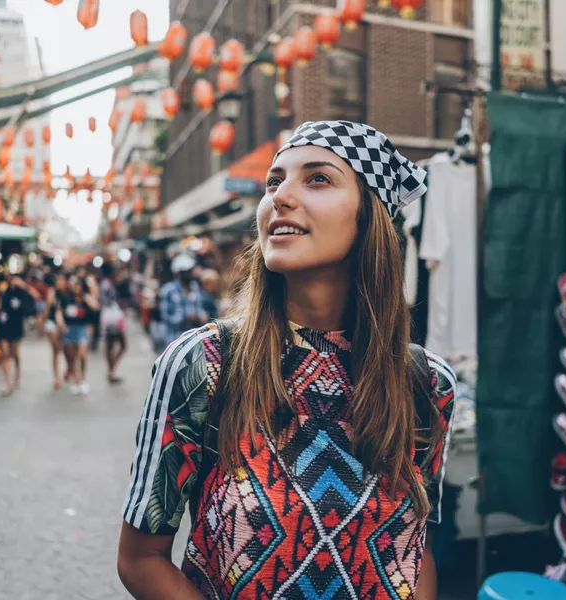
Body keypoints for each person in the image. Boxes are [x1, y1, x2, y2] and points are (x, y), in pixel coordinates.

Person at [118, 121, 456, 599]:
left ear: (370, 217)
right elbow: (141, 559)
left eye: (317, 178)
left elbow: (415, 552)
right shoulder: (203, 364)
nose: (280, 196)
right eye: (274, 181)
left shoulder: (428, 383)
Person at [0, 272, 41, 397]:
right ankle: (7, 383)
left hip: (16, 326)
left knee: (15, 353)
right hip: (3, 326)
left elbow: (37, 297)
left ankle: (17, 376)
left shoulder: (22, 293)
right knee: (5, 354)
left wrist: (24, 286)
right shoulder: (2, 292)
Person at [57, 276, 99, 396]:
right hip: (70, 328)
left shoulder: (85, 298)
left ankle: (83, 379)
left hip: (82, 328)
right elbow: (59, 311)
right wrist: (61, 324)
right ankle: (76, 379)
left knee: (82, 355)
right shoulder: (66, 298)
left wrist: (87, 297)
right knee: (72, 356)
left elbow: (95, 307)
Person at [158, 254, 203, 347]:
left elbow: (199, 308)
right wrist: (184, 319)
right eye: (186, 272)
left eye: (190, 271)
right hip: (176, 340)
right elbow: (165, 316)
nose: (190, 274)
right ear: (178, 273)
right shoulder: (168, 290)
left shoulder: (195, 287)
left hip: (195, 339)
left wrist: (199, 317)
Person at [99, 262, 127, 384]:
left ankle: (111, 371)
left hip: (110, 316)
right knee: (115, 345)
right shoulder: (107, 285)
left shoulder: (107, 284)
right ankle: (111, 371)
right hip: (112, 317)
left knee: (112, 345)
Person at [44, 272, 70, 389]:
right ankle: (56, 377)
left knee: (66, 349)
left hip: (66, 323)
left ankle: (69, 369)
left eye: (62, 279)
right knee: (56, 350)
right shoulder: (52, 292)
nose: (59, 282)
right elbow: (48, 308)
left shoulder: (69, 293)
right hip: (53, 322)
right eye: (58, 279)